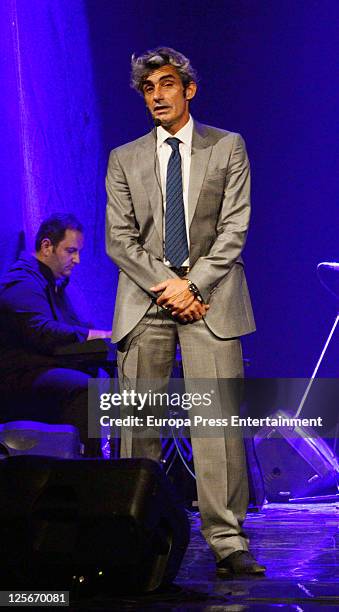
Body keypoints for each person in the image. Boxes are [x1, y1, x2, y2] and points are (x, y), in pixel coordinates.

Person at [105, 47, 265, 575]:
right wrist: (167, 285)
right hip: (146, 300)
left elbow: (234, 228)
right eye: (149, 89)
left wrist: (192, 285)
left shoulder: (227, 147)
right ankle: (136, 534)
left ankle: (228, 540)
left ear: (188, 89)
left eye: (167, 84)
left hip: (211, 299)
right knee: (139, 425)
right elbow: (120, 240)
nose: (158, 96)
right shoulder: (124, 158)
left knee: (216, 424)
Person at [0, 213, 111, 456]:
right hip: (20, 377)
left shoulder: (53, 284)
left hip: (41, 370)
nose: (77, 259)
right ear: (46, 246)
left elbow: (70, 327)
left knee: (110, 385)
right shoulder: (23, 281)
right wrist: (93, 334)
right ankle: (92, 473)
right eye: (70, 250)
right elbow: (42, 331)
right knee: (87, 389)